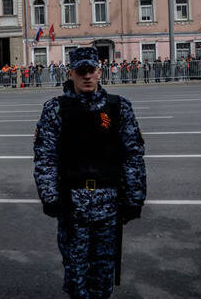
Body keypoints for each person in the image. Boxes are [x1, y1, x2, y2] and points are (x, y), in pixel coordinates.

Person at [33, 47, 146, 299]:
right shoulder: (55, 109)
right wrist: (50, 197)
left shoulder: (118, 108)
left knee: (104, 273)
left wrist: (135, 197)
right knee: (76, 272)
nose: (87, 76)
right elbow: (45, 156)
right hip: (72, 205)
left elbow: (132, 155)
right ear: (71, 73)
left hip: (109, 204)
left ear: (99, 72)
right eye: (81, 71)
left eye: (91, 70)